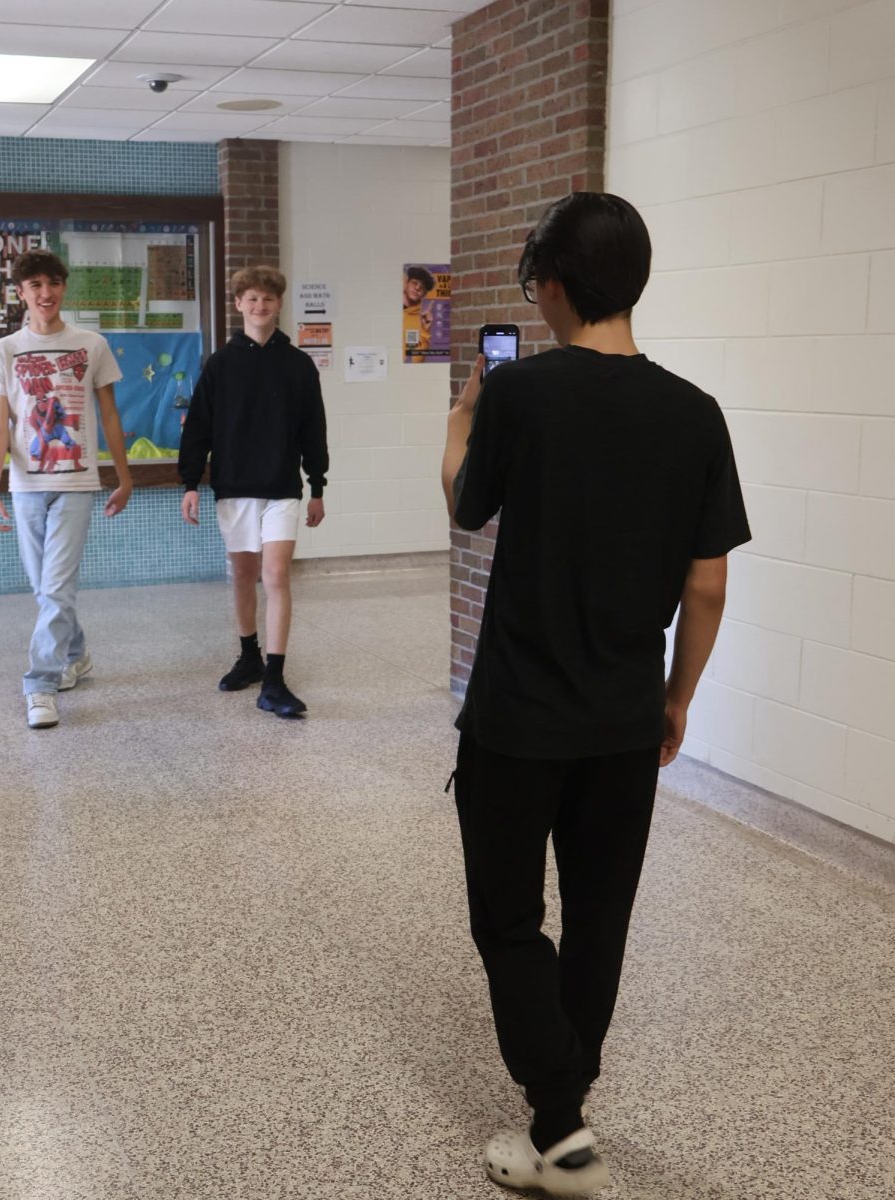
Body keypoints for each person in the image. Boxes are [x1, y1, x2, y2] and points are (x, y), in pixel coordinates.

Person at [441, 193, 750, 1196]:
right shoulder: (696, 413)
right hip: (624, 718)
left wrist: (460, 423)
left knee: (507, 917)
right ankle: (563, 1112)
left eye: (537, 287)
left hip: (518, 719)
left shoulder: (520, 395)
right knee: (600, 912)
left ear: (558, 286)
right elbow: (707, 582)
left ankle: (562, 1125)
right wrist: (677, 696)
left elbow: (466, 507)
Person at [0, 249, 133, 729]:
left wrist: (125, 476)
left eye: (54, 284)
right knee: (44, 589)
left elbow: (109, 414)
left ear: (63, 287)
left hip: (77, 483)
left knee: (57, 587)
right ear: (21, 293)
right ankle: (78, 653)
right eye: (35, 286)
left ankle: (40, 686)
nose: (46, 294)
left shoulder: (91, 345)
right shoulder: (5, 350)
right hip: (26, 485)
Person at [178, 265, 328, 718]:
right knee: (243, 575)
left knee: (276, 575)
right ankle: (249, 657)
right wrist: (190, 483)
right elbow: (198, 428)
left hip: (283, 487)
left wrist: (317, 484)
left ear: (279, 305)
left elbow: (313, 430)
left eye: (268, 298)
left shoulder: (299, 365)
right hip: (234, 487)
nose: (259, 305)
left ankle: (275, 680)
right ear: (239, 304)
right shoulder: (220, 365)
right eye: (251, 298)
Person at [403, 265, 436, 363]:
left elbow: (417, 361)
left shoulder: (417, 322)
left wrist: (425, 332)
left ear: (424, 294)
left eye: (422, 287)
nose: (417, 288)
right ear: (407, 283)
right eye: (414, 283)